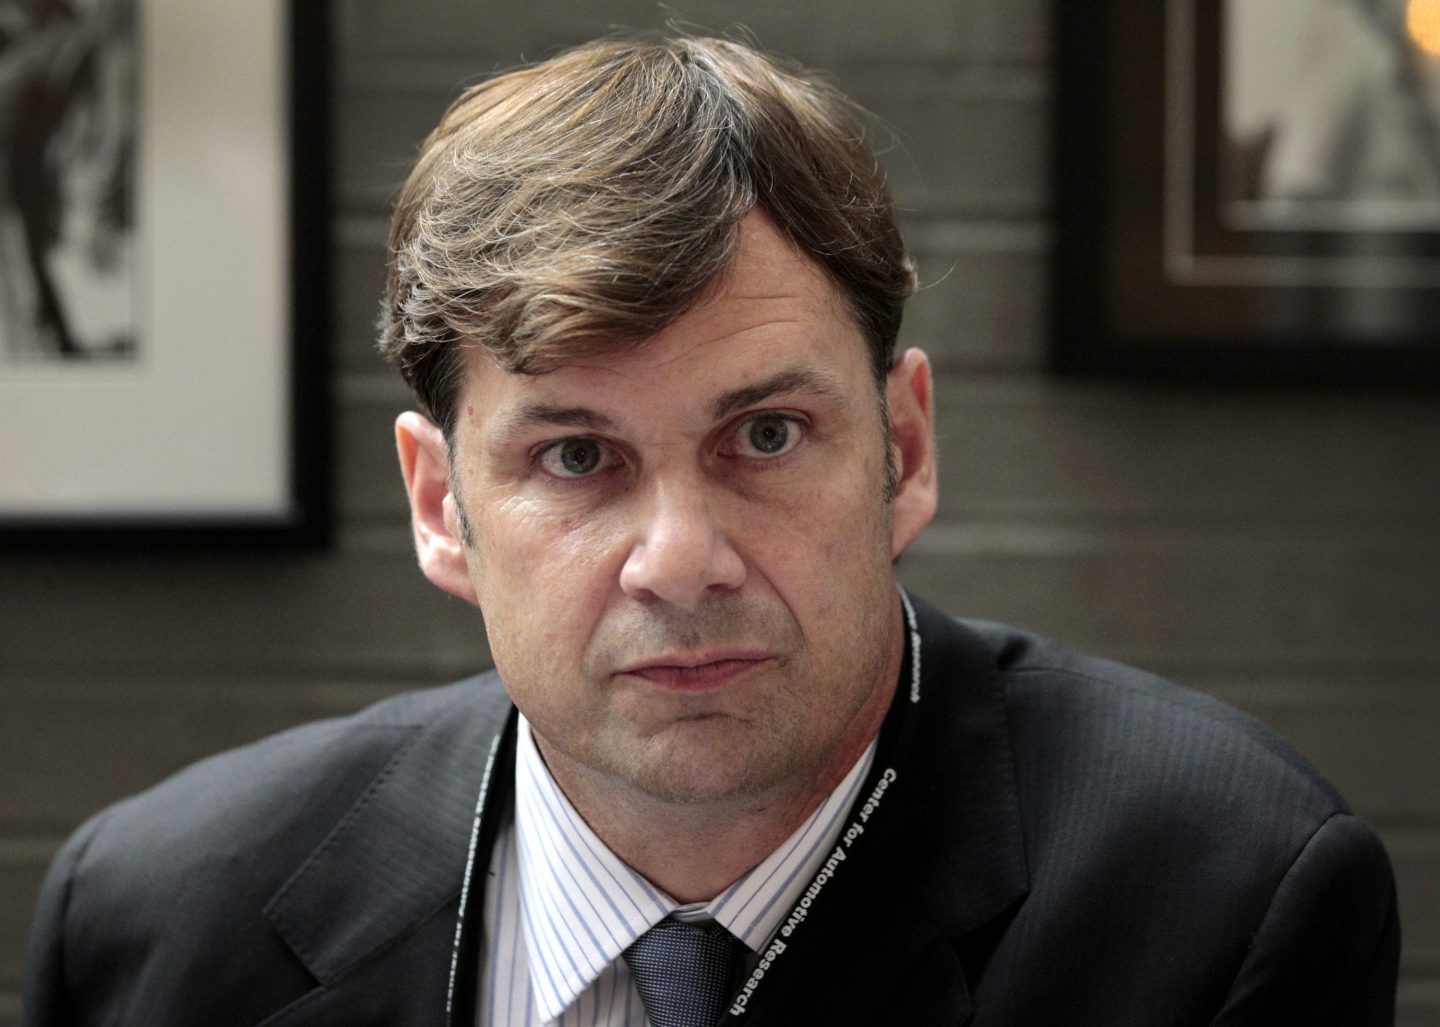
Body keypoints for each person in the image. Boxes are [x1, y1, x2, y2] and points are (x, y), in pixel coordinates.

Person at [24, 35, 1399, 1027]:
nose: (680, 560)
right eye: (576, 457)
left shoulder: (1226, 893)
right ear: (442, 508)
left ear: (905, 450)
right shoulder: (159, 922)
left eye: (767, 436)